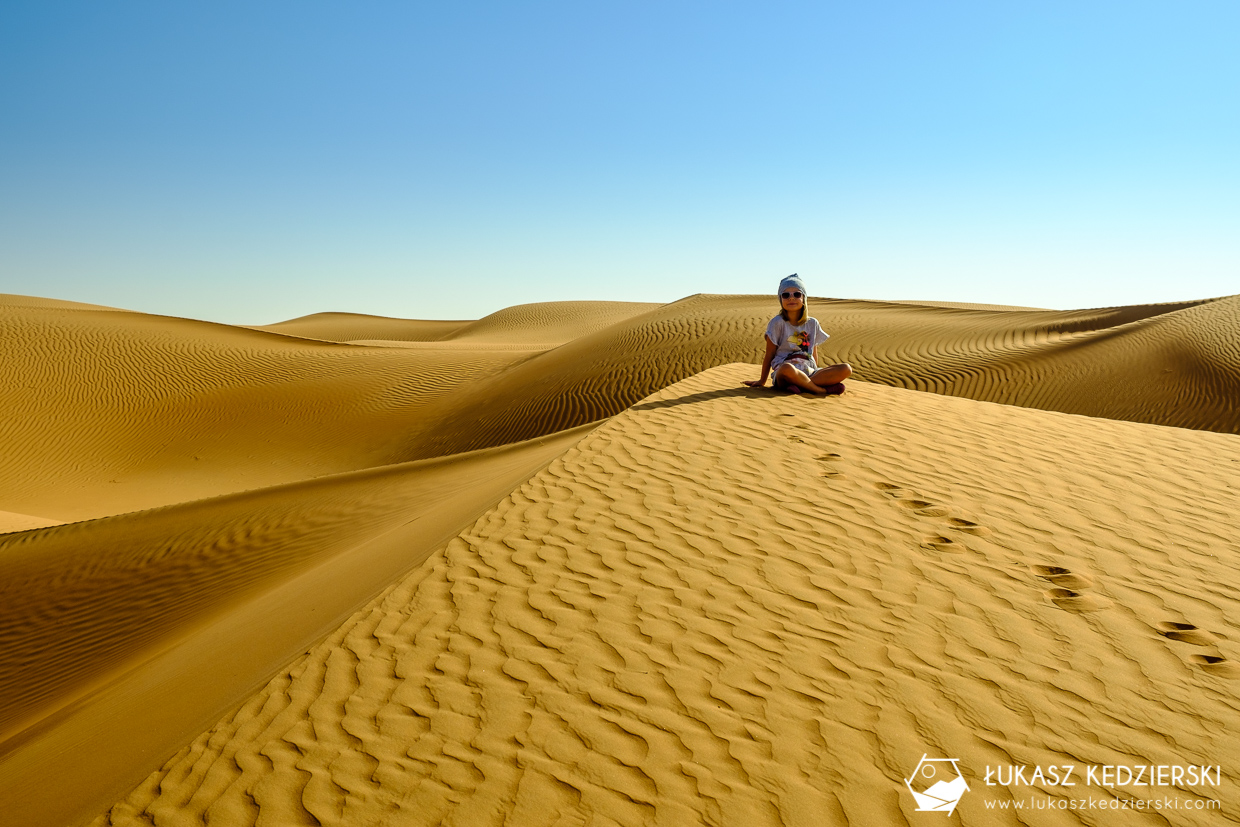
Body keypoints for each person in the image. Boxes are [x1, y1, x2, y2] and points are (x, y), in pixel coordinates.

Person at [743, 274, 853, 395]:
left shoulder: (812, 323)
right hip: (785, 373)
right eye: (786, 295)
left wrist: (817, 371)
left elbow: (813, 352)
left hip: (809, 371)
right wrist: (762, 380)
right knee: (787, 368)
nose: (791, 298)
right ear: (781, 299)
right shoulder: (777, 323)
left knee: (846, 368)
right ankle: (819, 389)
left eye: (797, 294)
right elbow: (770, 353)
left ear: (803, 298)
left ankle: (800, 386)